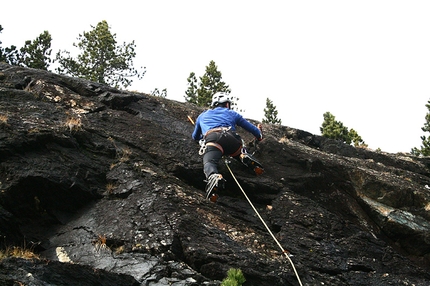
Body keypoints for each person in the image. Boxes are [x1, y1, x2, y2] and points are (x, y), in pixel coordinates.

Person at [192, 92, 264, 201]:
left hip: (213, 139)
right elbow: (252, 129)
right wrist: (259, 135)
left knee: (210, 162)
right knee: (238, 151)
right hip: (231, 138)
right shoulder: (232, 113)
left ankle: (213, 176)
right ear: (226, 104)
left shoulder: (202, 116)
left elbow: (195, 137)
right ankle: (243, 156)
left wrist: (202, 135)